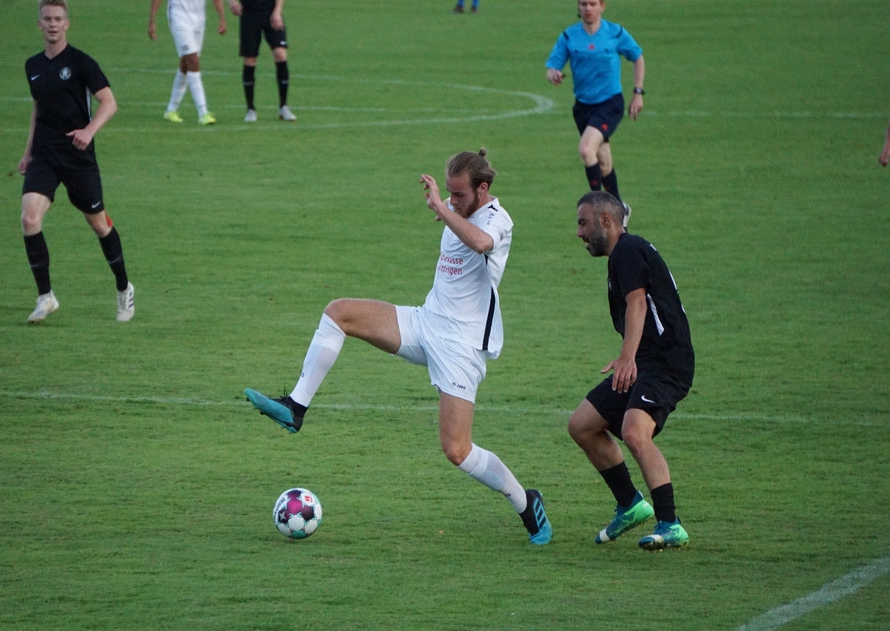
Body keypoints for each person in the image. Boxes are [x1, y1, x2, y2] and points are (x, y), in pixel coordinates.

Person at [245, 150, 551, 546]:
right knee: (339, 313)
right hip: (425, 322)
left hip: (460, 346)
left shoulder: (498, 220)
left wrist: (441, 208)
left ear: (483, 189)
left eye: (459, 194)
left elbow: (480, 242)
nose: (452, 200)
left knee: (457, 450)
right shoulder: (459, 208)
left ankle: (525, 502)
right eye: (449, 193)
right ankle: (295, 407)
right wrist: (449, 208)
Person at [567, 191, 694, 550]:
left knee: (635, 432)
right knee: (582, 424)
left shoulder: (627, 250)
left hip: (665, 362)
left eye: (583, 223)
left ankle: (670, 524)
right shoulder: (623, 255)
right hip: (646, 362)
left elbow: (638, 302)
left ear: (606, 221)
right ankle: (630, 504)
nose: (579, 232)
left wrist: (627, 358)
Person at [19, 0, 134, 323]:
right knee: (29, 219)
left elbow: (109, 103)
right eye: (47, 19)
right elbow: (38, 109)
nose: (53, 24)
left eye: (58, 18)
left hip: (77, 157)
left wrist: (88, 131)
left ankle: (124, 288)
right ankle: (45, 297)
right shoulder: (33, 66)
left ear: (67, 23)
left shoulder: (81, 62)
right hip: (44, 154)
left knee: (99, 224)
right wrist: (28, 152)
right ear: (39, 24)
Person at [546, 0, 644, 223]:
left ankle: (598, 208)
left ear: (602, 6)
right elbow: (553, 66)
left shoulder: (615, 33)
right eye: (583, 4)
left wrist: (638, 92)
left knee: (586, 149)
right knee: (604, 163)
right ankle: (620, 211)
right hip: (583, 108)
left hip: (610, 104)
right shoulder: (569, 36)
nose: (588, 8)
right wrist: (553, 74)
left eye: (592, 4)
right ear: (578, 7)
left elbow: (637, 56)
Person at [149, 0, 227, 126]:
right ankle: (203, 112)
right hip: (179, 17)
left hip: (199, 20)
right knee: (192, 60)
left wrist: (222, 18)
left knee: (186, 64)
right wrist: (152, 19)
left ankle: (171, 110)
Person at [228, 0, 295, 122]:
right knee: (250, 59)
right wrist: (231, 2)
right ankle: (250, 109)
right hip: (249, 14)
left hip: (271, 12)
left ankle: (284, 106)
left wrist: (277, 11)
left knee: (280, 55)